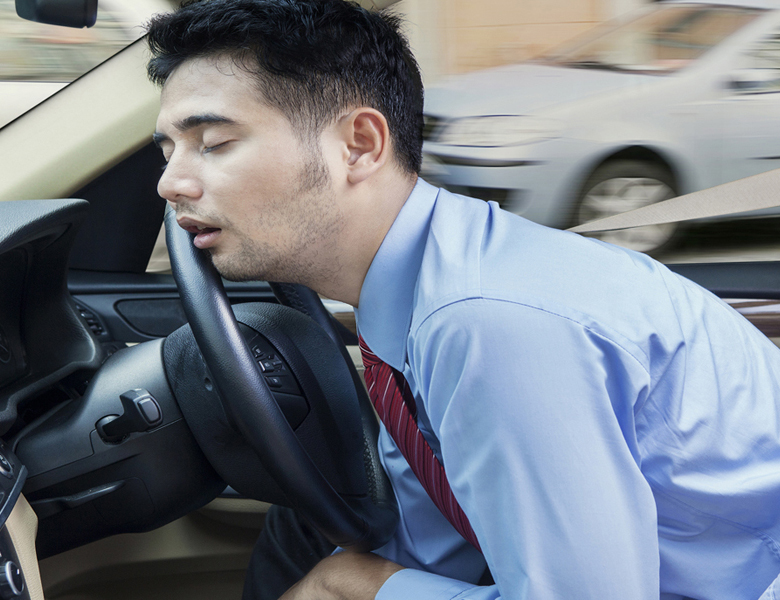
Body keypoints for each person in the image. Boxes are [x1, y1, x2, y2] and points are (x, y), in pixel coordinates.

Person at [145, 1, 780, 599]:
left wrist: (359, 586)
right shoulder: (412, 282)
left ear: (359, 145)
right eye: (168, 149)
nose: (171, 182)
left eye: (215, 143)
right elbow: (435, 520)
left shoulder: (488, 323)